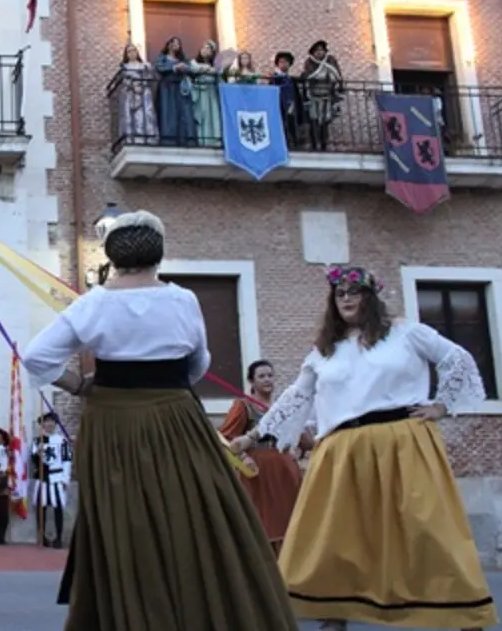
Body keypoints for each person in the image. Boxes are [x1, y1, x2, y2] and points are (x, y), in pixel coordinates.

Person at [22, 210, 297, 630]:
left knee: (123, 519)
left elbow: (37, 356)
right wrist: (166, 384)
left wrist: (79, 385)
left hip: (111, 420)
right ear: (157, 255)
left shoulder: (93, 303)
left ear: (113, 256)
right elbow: (198, 364)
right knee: (194, 511)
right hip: (175, 415)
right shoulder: (182, 299)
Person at [230, 265, 498, 631]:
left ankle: (462, 613)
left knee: (428, 529)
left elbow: (456, 358)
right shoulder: (325, 352)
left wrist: (441, 405)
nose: (346, 299)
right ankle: (334, 612)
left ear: (370, 298)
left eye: (353, 293)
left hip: (402, 442)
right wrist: (251, 436)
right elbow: (297, 396)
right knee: (337, 534)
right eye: (339, 294)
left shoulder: (405, 332)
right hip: (342, 450)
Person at [218, 360, 308, 556]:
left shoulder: (281, 406)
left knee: (289, 517)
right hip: (257, 469)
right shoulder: (243, 406)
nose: (267, 379)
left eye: (270, 375)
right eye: (261, 376)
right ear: (252, 381)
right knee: (261, 518)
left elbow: (301, 438)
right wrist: (242, 457)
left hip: (284, 467)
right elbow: (225, 438)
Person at [30, 412, 71, 549]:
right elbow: (34, 461)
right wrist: (37, 453)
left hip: (57, 478)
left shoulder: (62, 440)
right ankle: (42, 537)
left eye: (52, 421)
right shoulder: (38, 441)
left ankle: (58, 538)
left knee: (58, 508)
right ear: (42, 424)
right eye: (46, 422)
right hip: (42, 479)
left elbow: (66, 460)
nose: (49, 424)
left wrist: (65, 478)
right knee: (41, 509)